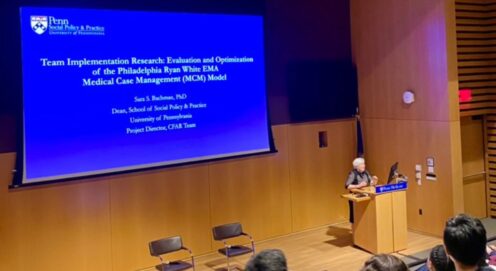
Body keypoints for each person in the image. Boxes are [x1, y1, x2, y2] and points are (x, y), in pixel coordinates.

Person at [345, 157, 378, 224]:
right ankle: (355, 232)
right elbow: (347, 186)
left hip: (365, 196)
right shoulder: (352, 174)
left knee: (364, 216)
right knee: (355, 218)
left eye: (364, 164)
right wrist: (358, 186)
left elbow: (371, 183)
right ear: (357, 166)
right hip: (355, 197)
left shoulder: (366, 172)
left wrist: (374, 180)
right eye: (362, 164)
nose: (364, 166)